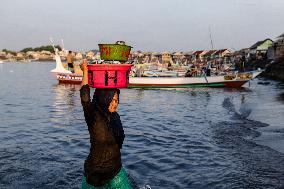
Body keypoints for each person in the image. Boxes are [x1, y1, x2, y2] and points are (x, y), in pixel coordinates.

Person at [79, 60, 133, 189]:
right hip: (95, 176)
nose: (115, 104)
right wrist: (85, 71)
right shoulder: (93, 116)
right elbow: (85, 98)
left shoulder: (115, 117)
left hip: (115, 171)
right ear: (104, 98)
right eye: (111, 100)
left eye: (116, 100)